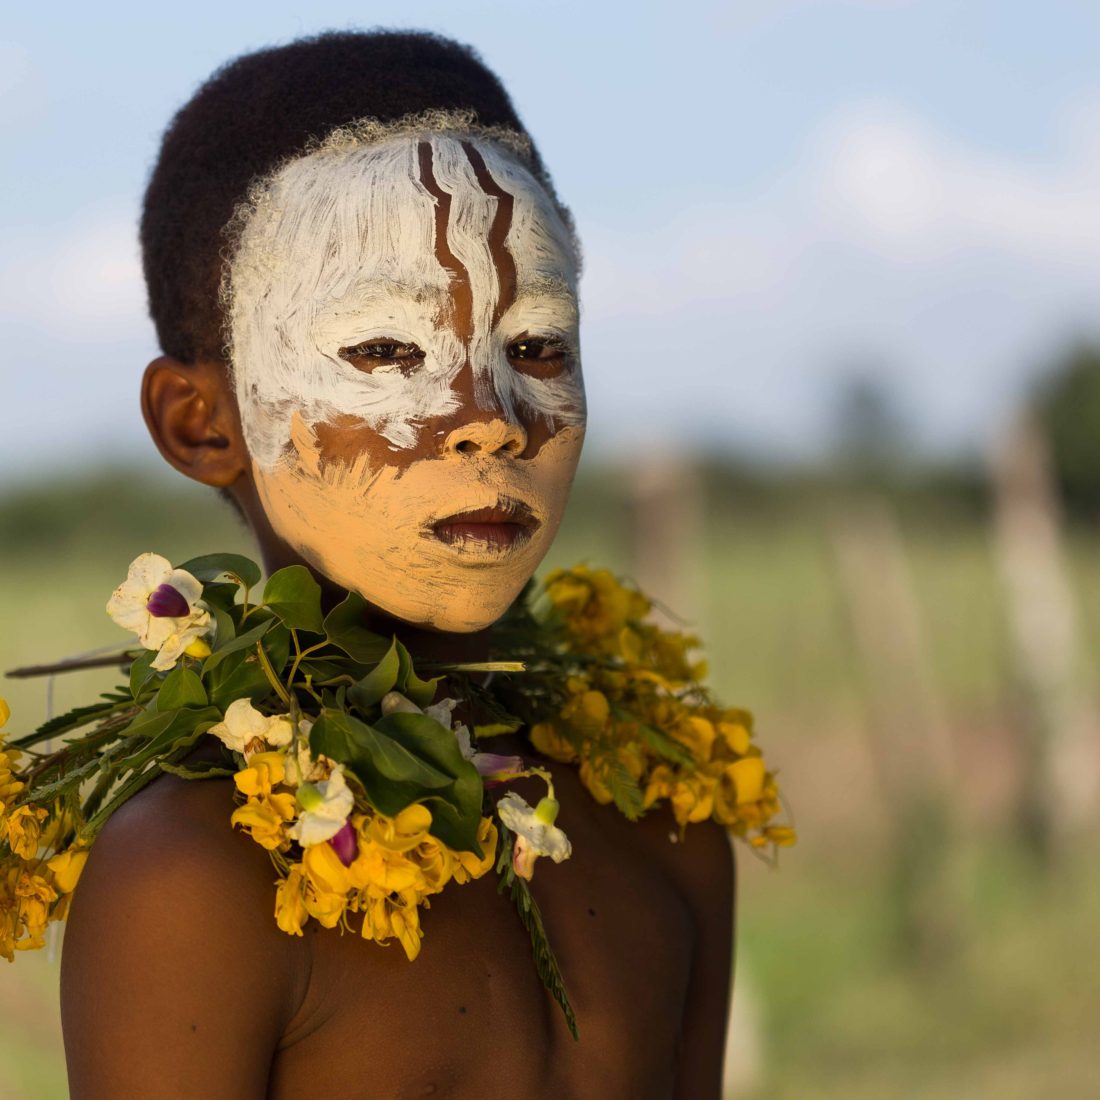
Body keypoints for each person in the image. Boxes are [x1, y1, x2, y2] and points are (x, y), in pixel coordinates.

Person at [59, 31, 735, 1098]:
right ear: (201, 423)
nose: (490, 419)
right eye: (385, 351)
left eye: (536, 345)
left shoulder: (663, 817)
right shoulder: (195, 874)